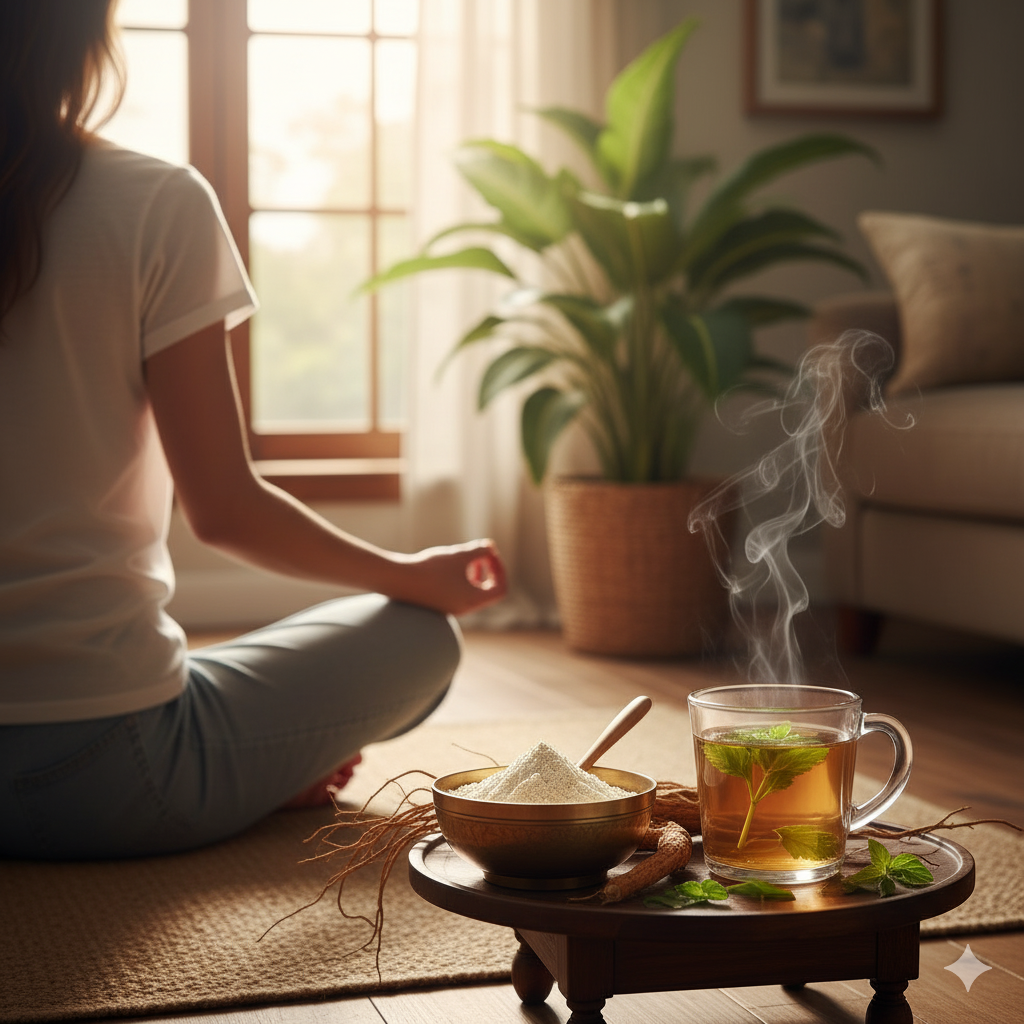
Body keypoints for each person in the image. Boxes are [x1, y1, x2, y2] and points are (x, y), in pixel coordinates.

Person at [0, 0, 507, 860]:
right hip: (99, 766)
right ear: (85, 33)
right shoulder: (151, 201)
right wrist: (409, 576)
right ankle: (264, 773)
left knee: (213, 672)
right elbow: (225, 509)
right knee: (421, 636)